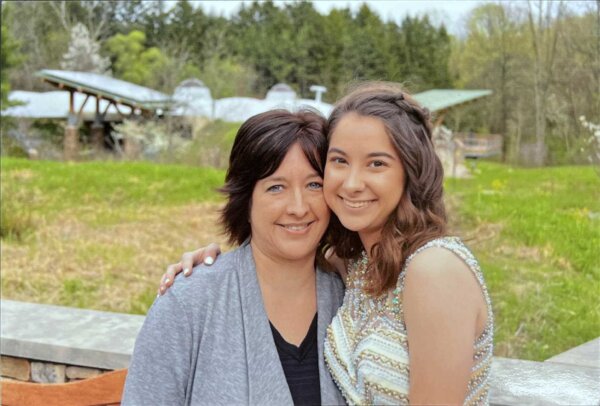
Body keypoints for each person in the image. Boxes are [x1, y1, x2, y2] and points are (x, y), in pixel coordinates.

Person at [160, 83, 494, 405]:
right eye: (339, 161)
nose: (352, 183)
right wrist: (212, 268)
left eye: (376, 163)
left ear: (411, 170)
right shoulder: (353, 265)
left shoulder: (434, 270)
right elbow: (279, 251)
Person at [122, 109, 346, 405]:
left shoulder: (349, 296)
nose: (298, 207)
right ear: (245, 199)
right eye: (276, 187)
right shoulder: (189, 302)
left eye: (314, 185)